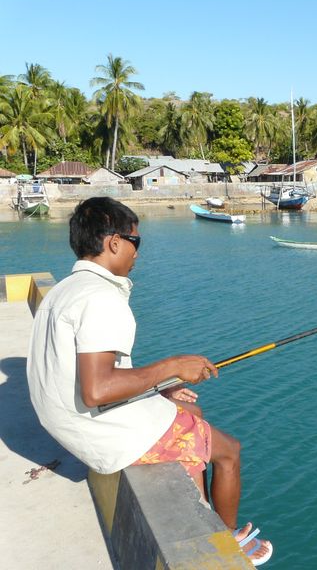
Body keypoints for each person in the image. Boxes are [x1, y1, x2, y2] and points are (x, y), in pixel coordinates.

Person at [26, 197, 272, 566]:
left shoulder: (64, 292)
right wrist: (172, 365)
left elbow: (86, 380)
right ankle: (225, 543)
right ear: (113, 243)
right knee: (229, 451)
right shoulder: (102, 299)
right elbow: (98, 390)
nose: (137, 254)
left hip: (68, 422)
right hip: (100, 432)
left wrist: (161, 387)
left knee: (191, 408)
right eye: (135, 242)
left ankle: (202, 510)